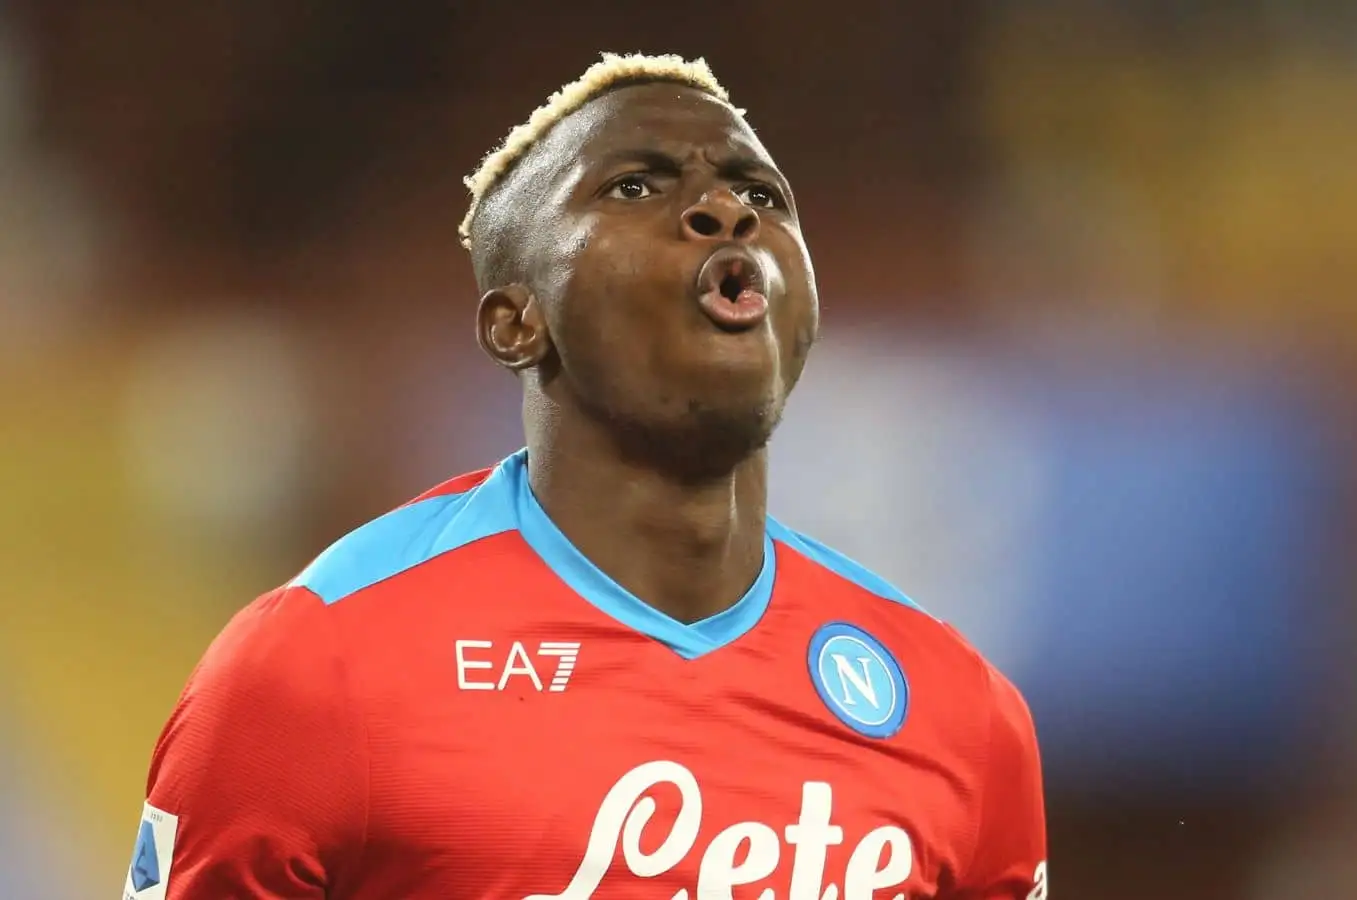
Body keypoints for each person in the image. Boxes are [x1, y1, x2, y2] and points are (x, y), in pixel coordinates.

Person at [127, 53, 1048, 900]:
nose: (726, 212)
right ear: (515, 324)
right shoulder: (314, 670)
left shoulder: (959, 713)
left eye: (758, 193)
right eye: (636, 184)